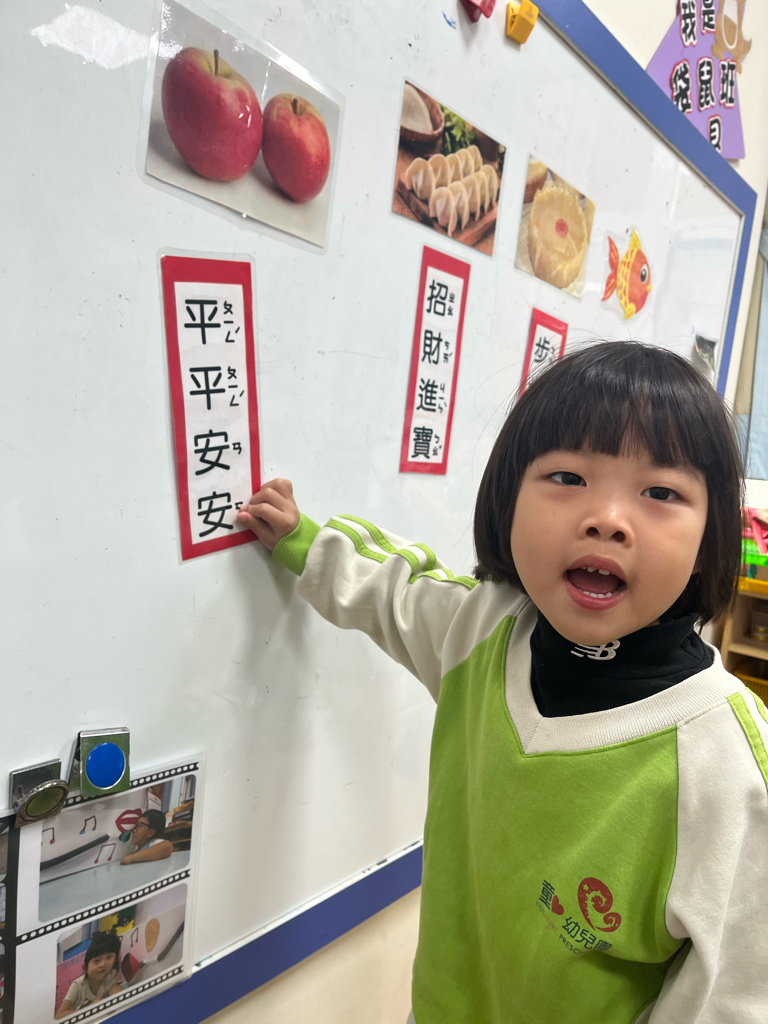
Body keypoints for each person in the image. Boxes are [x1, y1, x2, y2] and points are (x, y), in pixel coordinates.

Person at [236, 341, 768, 1024]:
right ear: (507, 498)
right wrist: (305, 541)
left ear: (709, 537)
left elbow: (733, 994)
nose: (607, 518)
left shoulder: (728, 766)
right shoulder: (482, 629)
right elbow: (391, 588)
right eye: (568, 477)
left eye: (661, 493)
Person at [54, 931, 121, 1018]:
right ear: (86, 967)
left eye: (109, 957)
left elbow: (115, 989)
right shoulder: (78, 985)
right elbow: (59, 1016)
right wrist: (89, 1009)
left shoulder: (110, 975)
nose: (103, 964)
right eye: (97, 961)